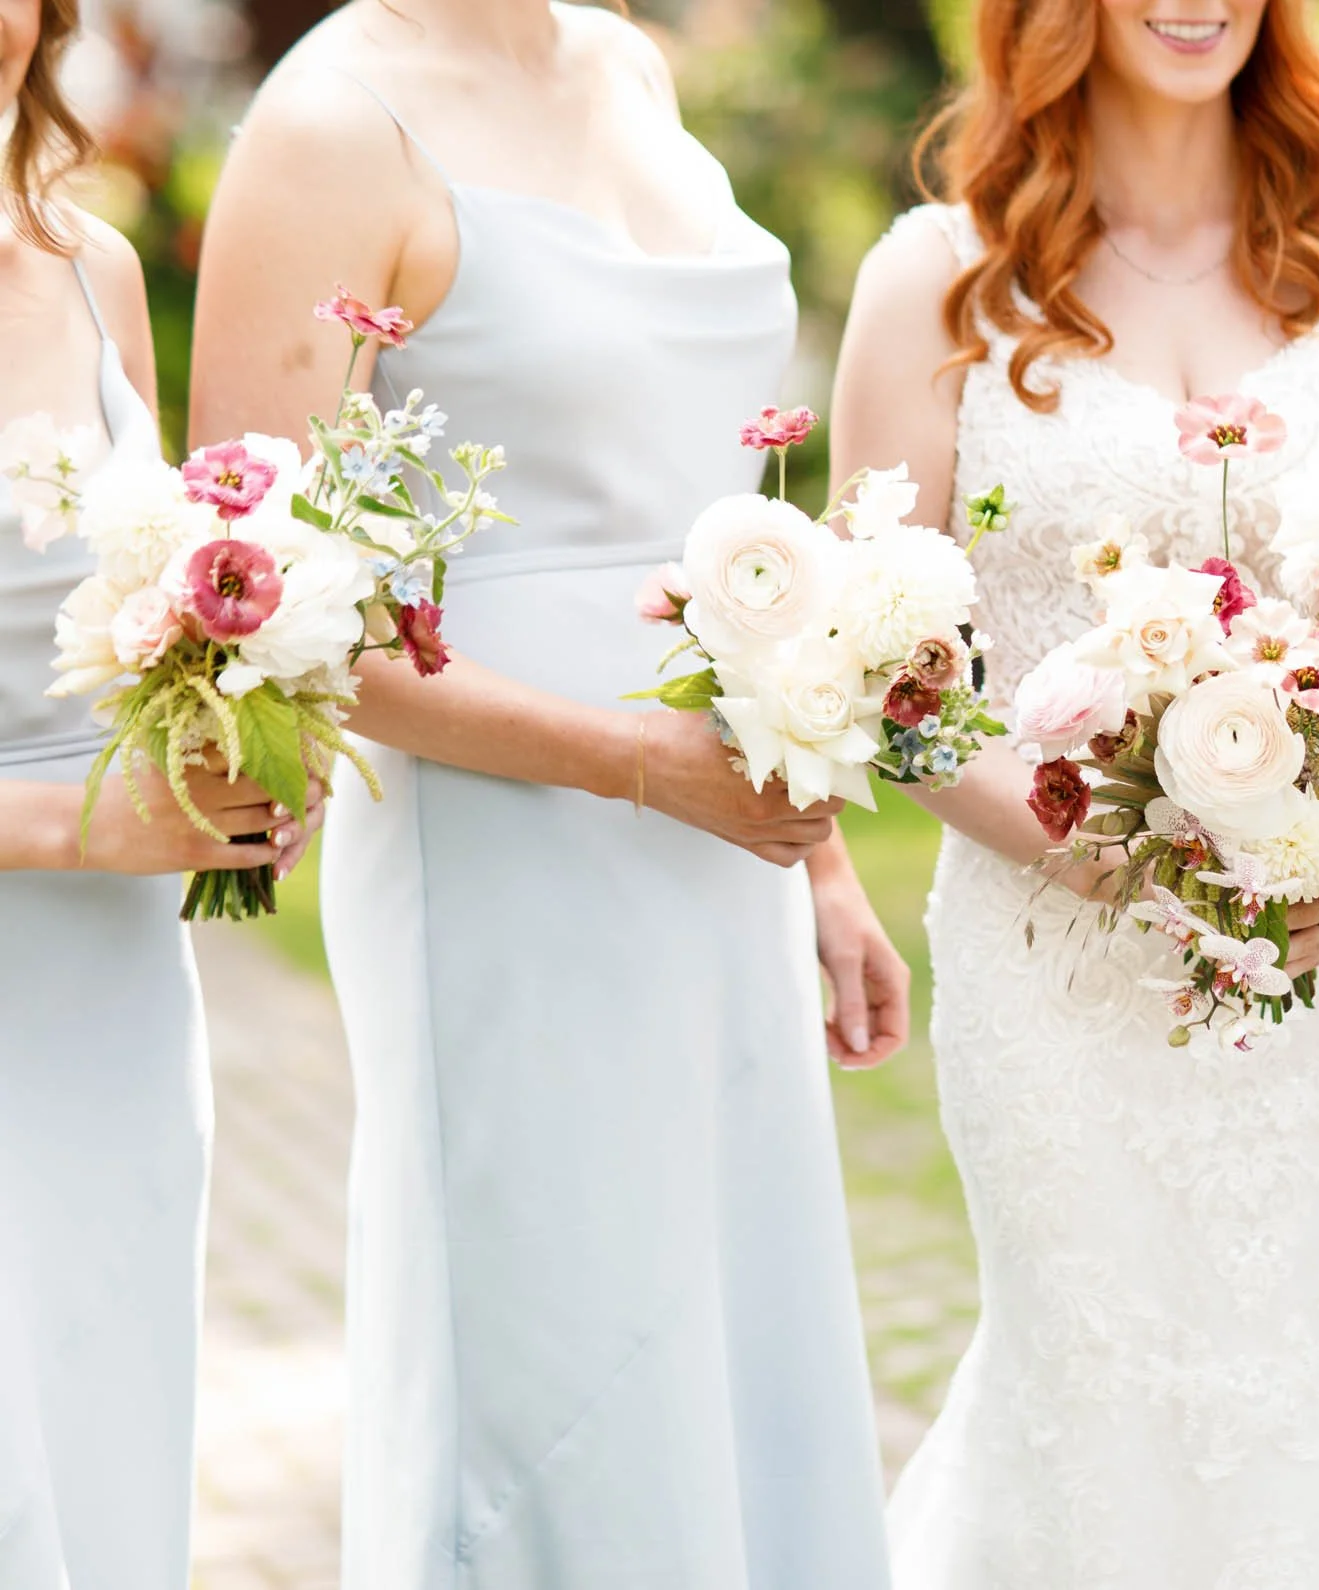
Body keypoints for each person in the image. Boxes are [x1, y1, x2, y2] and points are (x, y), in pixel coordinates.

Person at [189, 3, 902, 1581]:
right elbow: (258, 613)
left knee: (729, 1314)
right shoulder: (333, 127)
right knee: (562, 1349)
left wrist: (819, 858)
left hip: (722, 826)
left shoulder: (626, 64)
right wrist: (642, 766)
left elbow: (720, 504)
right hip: (508, 831)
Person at [824, 0, 1319, 1582]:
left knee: (1314, 1387)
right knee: (1089, 1383)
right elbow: (880, 665)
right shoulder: (941, 276)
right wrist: (1111, 858)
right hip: (1060, 963)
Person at [0, 3, 311, 1582]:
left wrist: (238, 738)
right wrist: (68, 824)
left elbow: (145, 601)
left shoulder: (94, 267)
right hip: (44, 883)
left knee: (104, 1452)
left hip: (113, 999)